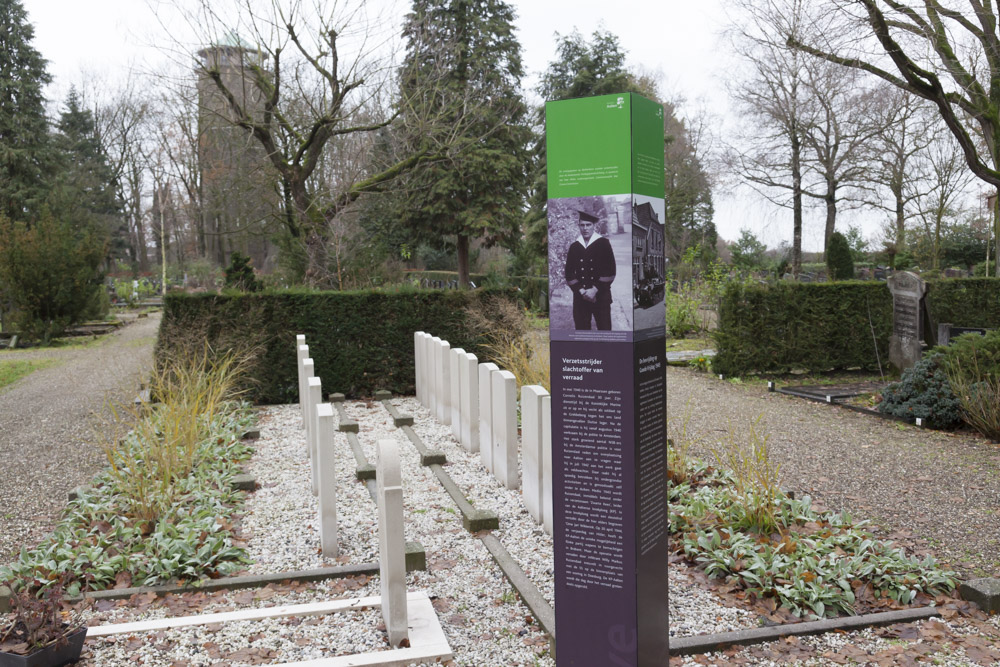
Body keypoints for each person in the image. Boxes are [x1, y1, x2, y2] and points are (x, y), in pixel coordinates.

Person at [565, 210, 616, 330]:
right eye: (582, 225)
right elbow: (569, 273)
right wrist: (582, 292)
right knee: (582, 335)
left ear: (594, 226)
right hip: (580, 298)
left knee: (605, 333)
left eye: (588, 225)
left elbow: (610, 271)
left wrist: (594, 290)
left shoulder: (603, 243)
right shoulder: (574, 246)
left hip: (601, 296)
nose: (585, 228)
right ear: (579, 226)